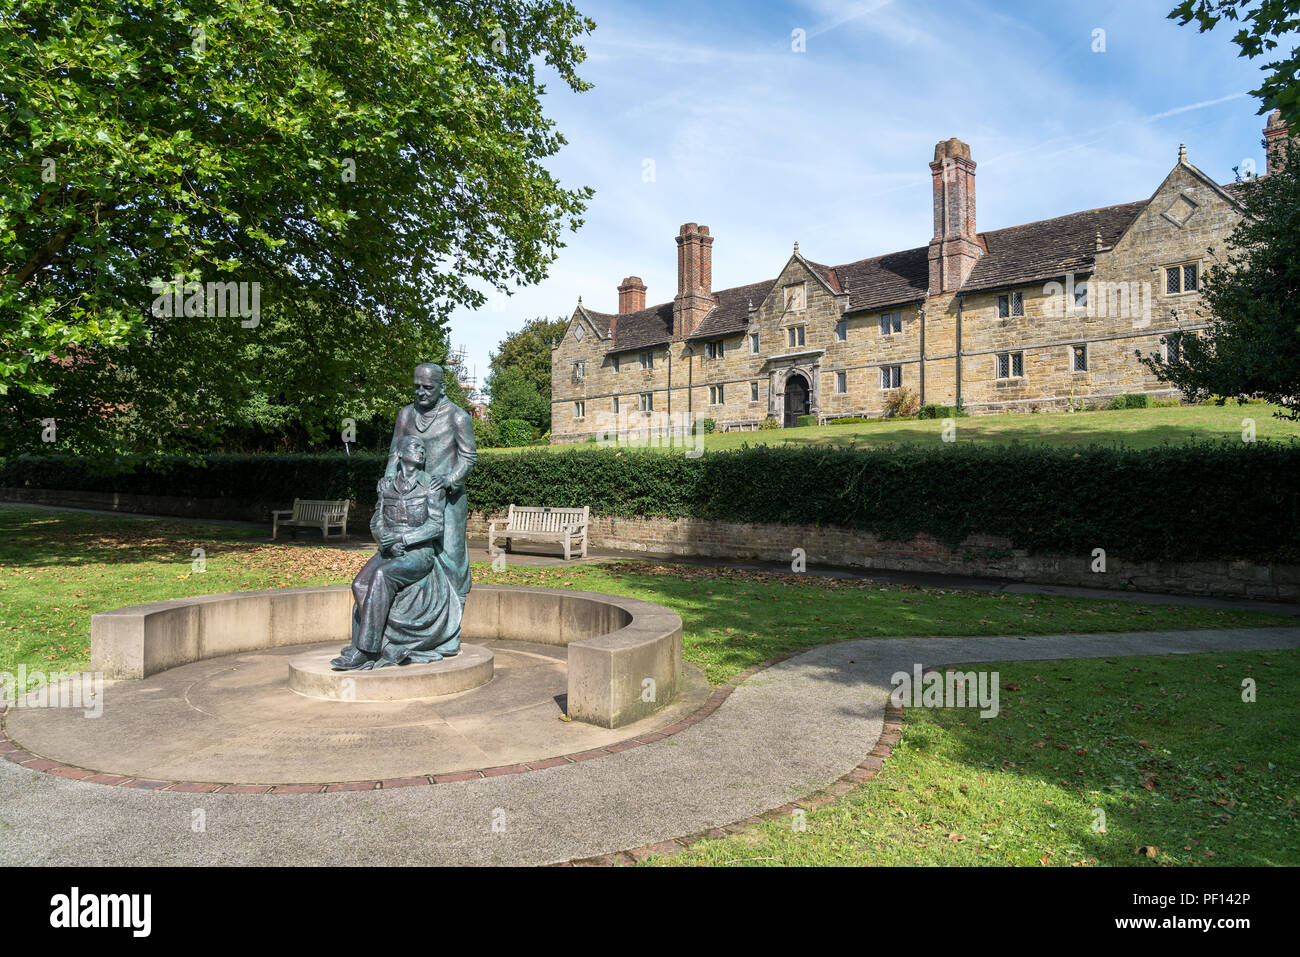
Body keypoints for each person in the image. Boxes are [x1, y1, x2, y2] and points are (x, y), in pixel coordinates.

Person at [331, 435, 461, 670]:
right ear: (401, 453)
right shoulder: (386, 485)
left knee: (382, 576)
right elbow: (376, 521)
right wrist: (386, 541)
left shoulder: (430, 485)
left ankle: (366, 651)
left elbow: (435, 526)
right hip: (389, 548)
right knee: (359, 584)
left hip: (419, 553)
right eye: (415, 447)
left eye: (423, 449)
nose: (421, 452)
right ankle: (386, 645)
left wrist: (403, 538)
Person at [384, 363, 476, 607]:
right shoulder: (406, 415)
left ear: (441, 387)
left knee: (451, 555)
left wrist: (448, 480)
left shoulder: (458, 416)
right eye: (417, 387)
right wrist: (388, 483)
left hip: (448, 498)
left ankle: (454, 609)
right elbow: (395, 453)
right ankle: (412, 607)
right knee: (407, 549)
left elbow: (468, 458)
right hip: (412, 496)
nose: (421, 392)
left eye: (427, 387)